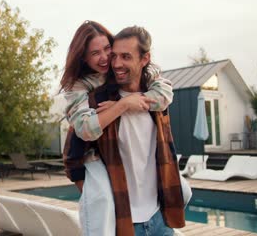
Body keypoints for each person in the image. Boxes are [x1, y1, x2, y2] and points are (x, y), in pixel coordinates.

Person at [65, 26, 185, 236]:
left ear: (144, 58)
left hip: (160, 219)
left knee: (186, 190)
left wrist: (127, 102)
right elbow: (76, 145)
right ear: (84, 59)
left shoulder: (150, 87)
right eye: (95, 53)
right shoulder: (87, 95)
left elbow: (164, 94)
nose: (107, 59)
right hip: (123, 220)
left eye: (108, 50)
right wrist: (122, 105)